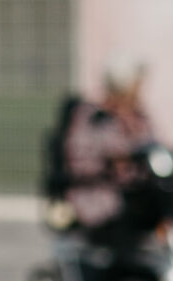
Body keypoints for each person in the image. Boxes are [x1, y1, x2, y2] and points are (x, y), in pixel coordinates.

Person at [63, 54, 161, 251]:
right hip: (100, 194)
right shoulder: (94, 117)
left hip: (136, 194)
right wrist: (119, 158)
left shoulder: (138, 117)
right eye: (136, 83)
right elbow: (81, 158)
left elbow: (154, 146)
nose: (140, 88)